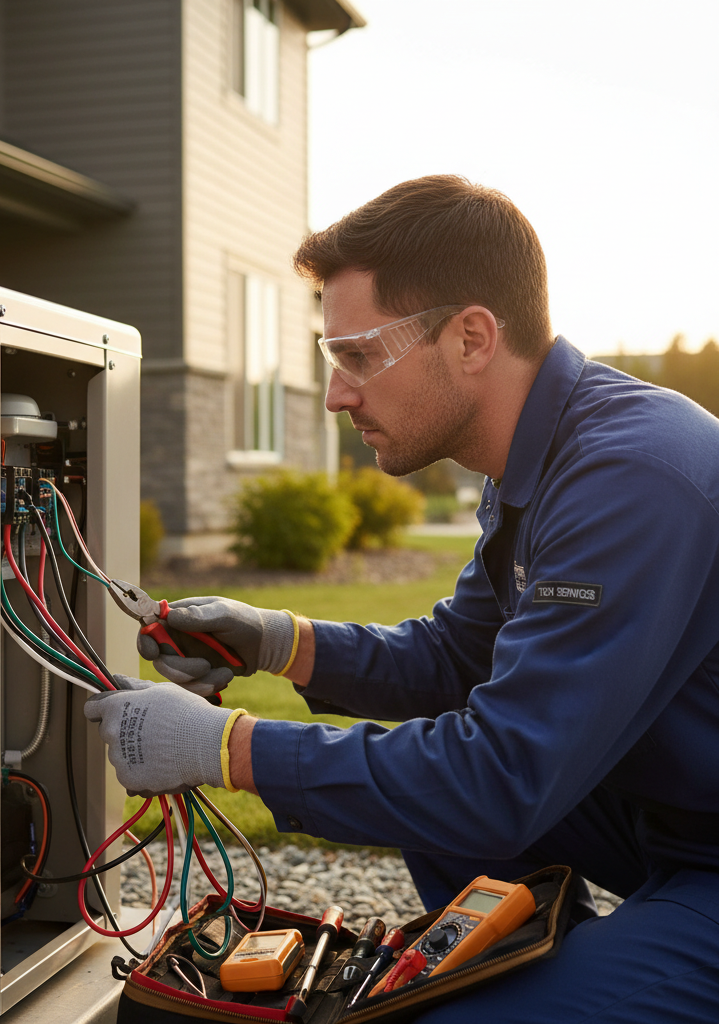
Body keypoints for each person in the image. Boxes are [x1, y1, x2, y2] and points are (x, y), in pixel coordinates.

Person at [85, 176, 719, 1021]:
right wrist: (278, 639)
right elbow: (456, 659)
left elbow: (499, 775)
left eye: (356, 356)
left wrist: (229, 748)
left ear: (471, 339)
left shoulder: (631, 475)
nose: (337, 394)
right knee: (441, 830)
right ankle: (586, 967)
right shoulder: (536, 461)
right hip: (668, 820)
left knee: (424, 1006)